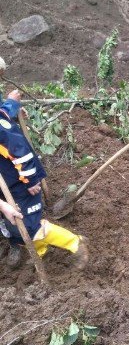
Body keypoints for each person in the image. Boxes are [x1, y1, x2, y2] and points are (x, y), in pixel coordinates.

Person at [0, 90, 88, 269]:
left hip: (21, 183)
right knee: (14, 226)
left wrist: (30, 180)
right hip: (5, 186)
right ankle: (41, 250)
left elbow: (21, 152)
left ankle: (75, 243)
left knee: (28, 225)